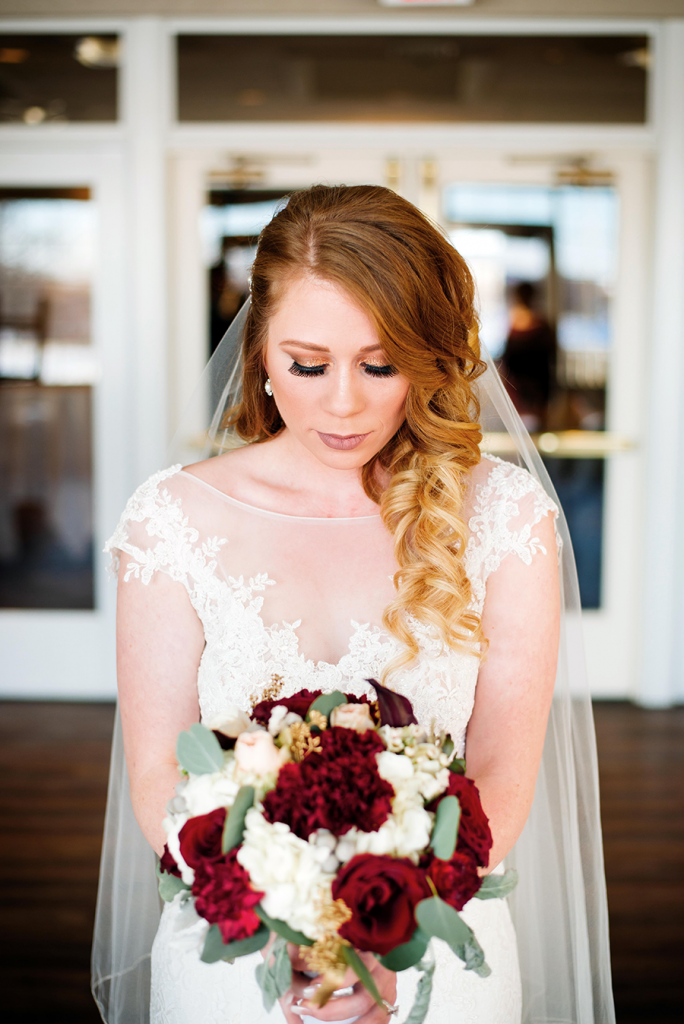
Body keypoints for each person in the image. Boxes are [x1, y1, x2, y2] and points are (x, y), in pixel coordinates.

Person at [93, 185, 614, 1024]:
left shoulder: (504, 518)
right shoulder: (171, 520)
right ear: (259, 352)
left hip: (441, 943)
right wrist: (286, 931)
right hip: (238, 946)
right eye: (308, 364)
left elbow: (503, 772)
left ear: (432, 356)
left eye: (381, 364)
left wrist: (389, 940)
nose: (344, 402)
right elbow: (159, 771)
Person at [499, 281, 557, 432]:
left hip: (523, 390)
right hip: (536, 391)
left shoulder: (515, 328)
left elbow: (507, 363)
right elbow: (552, 361)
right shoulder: (543, 326)